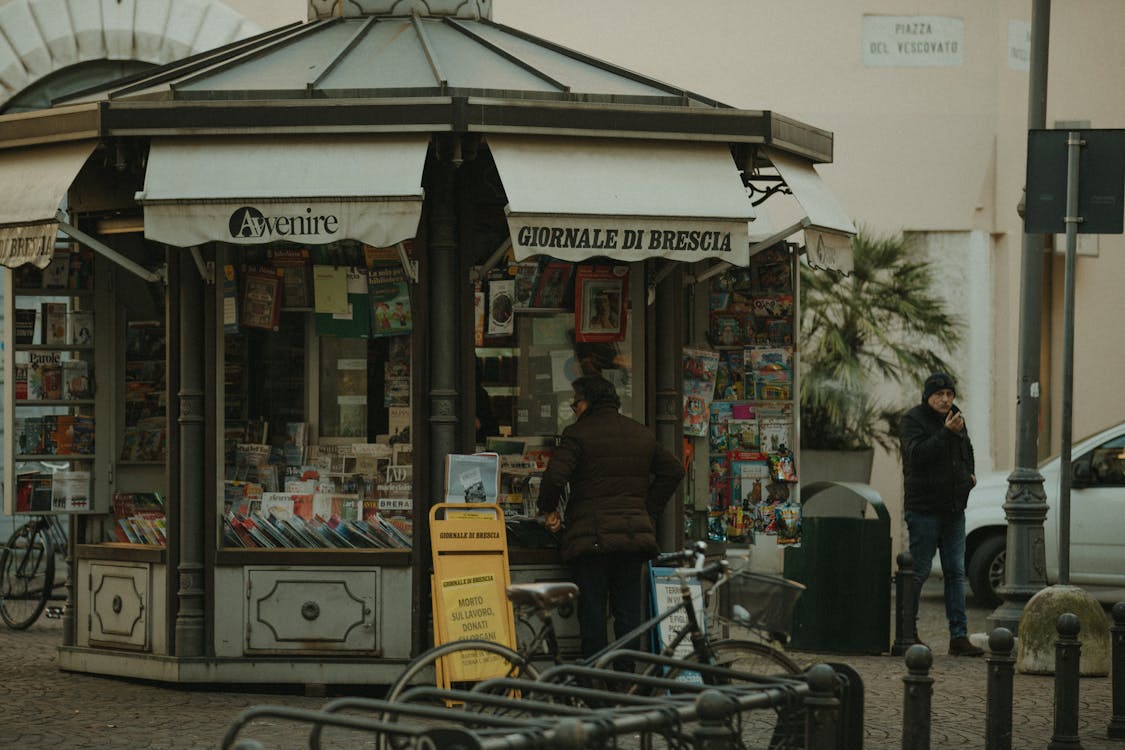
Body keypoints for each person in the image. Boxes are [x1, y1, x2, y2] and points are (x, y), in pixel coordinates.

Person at [537, 375, 685, 664]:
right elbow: (674, 471)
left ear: (588, 402)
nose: (574, 408)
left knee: (592, 613)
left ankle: (594, 682)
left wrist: (549, 510)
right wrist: (647, 509)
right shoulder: (639, 433)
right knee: (628, 613)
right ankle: (625, 680)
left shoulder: (578, 434)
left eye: (575, 402)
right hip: (631, 539)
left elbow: (555, 477)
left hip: (591, 538)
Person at [899, 372, 984, 657]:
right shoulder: (913, 420)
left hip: (953, 509)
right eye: (940, 395)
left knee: (956, 574)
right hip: (923, 510)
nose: (946, 399)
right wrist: (945, 433)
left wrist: (970, 476)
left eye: (950, 394)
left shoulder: (958, 417)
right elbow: (917, 455)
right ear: (928, 397)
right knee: (919, 572)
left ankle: (958, 637)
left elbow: (967, 450)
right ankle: (906, 633)